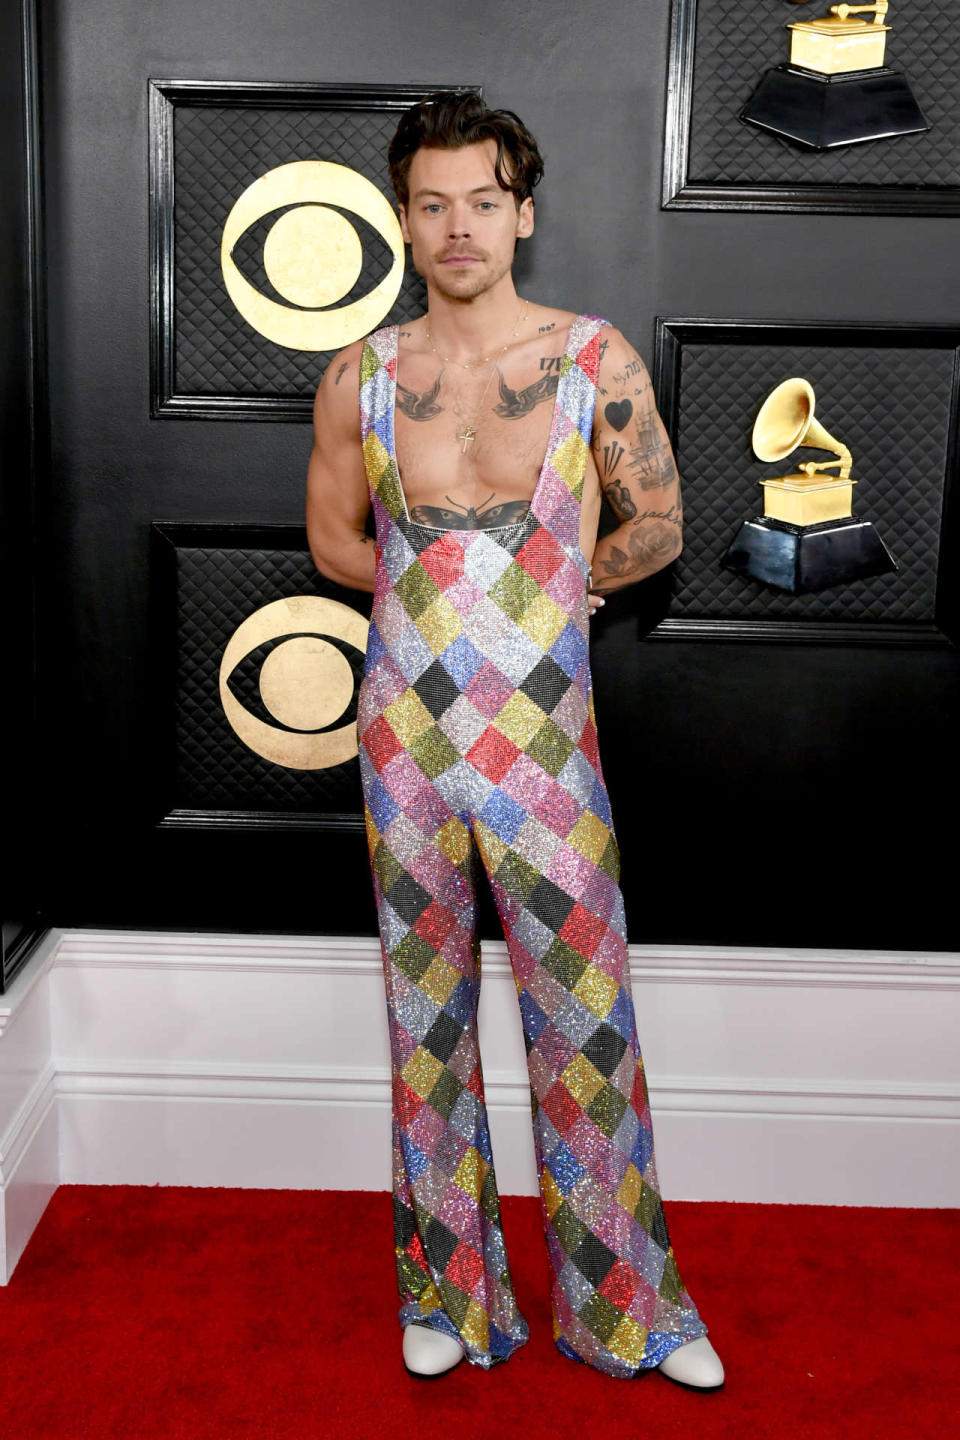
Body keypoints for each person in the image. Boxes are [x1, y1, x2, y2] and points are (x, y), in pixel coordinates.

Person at [306, 92, 724, 1389]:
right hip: (404, 743)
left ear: (521, 211)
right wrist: (439, 600)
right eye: (432, 202)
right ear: (405, 218)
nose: (458, 226)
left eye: (482, 199)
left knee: (586, 1016)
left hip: (546, 741)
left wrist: (555, 580)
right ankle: (446, 1294)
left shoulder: (591, 359)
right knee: (420, 1021)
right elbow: (331, 538)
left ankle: (632, 1310)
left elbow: (656, 524)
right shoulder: (361, 376)